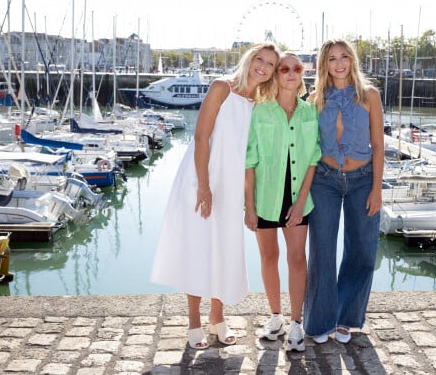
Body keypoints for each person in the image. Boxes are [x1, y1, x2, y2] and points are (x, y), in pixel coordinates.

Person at [151, 43, 280, 350]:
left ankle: (217, 317)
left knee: (224, 248)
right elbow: (200, 136)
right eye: (259, 59)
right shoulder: (222, 87)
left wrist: (250, 203)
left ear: (273, 72)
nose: (263, 66)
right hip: (201, 178)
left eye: (271, 64)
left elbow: (251, 158)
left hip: (232, 186)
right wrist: (204, 186)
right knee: (197, 247)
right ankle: (194, 320)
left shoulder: (261, 103)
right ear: (249, 59)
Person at [303, 39, 384, 344]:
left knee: (361, 250)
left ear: (352, 61)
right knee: (322, 251)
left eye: (344, 57)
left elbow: (378, 146)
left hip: (363, 179)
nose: (339, 63)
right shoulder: (314, 99)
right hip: (324, 179)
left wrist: (376, 189)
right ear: (323, 64)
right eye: (332, 59)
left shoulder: (370, 96)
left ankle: (345, 318)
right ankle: (319, 322)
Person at [244, 52, 321, 352]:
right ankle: (275, 316)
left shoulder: (310, 112)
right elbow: (249, 161)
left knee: (297, 258)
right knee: (268, 257)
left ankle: (296, 323)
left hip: (299, 199)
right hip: (264, 198)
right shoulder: (259, 112)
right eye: (284, 68)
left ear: (303, 73)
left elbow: (314, 157)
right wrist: (249, 207)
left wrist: (301, 202)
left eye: (296, 68)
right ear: (276, 74)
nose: (290, 72)